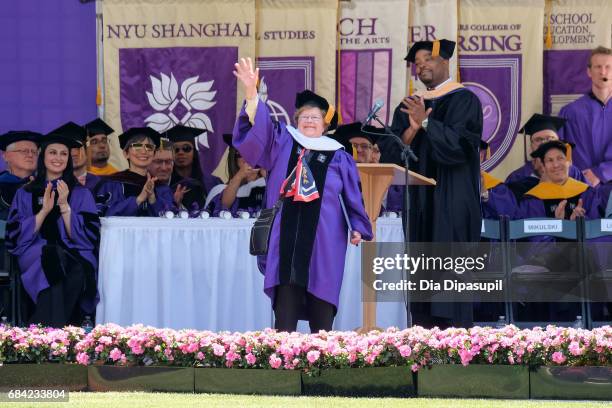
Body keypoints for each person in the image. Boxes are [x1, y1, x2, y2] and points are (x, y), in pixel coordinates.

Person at [233, 57, 373, 333]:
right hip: (286, 231)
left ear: (325, 124)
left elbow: (352, 194)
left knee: (321, 294)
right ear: (295, 121)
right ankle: (283, 360)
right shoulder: (284, 140)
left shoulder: (339, 155)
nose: (309, 121)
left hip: (325, 235)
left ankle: (319, 356)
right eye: (304, 117)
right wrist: (251, 94)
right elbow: (259, 132)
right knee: (286, 297)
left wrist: (358, 225)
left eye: (315, 117)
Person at [390, 39, 482, 328]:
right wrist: (412, 129)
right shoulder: (409, 106)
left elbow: (460, 149)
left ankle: (457, 356)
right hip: (419, 204)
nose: (422, 65)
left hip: (452, 201)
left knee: (451, 279)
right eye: (417, 63)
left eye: (428, 58)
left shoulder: (465, 100)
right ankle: (420, 350)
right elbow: (392, 154)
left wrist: (428, 124)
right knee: (422, 284)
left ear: (445, 61)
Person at [6, 132, 100, 327]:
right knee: (52, 255)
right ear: (43, 157)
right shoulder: (25, 192)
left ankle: (44, 330)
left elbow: (89, 238)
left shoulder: (81, 193)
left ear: (68, 159)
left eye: (63, 154)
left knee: (75, 265)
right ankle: (62, 334)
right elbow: (15, 236)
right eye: (53, 152)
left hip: (73, 250)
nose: (58, 158)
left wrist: (65, 207)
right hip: (33, 250)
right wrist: (44, 212)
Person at [558, 46, 612, 196]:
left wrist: (601, 173)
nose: (603, 72)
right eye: (598, 67)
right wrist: (579, 176)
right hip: (582, 189)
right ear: (589, 72)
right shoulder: (570, 112)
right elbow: (561, 152)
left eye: (608, 67)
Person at [98, 127, 173, 217]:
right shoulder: (112, 184)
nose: (144, 151)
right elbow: (105, 216)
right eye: (137, 146)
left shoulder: (161, 188)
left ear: (154, 155)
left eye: (149, 147)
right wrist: (139, 199)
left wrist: (152, 199)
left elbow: (170, 221)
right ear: (126, 154)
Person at [505, 114, 586, 191]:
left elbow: (590, 198)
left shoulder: (573, 172)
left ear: (558, 142)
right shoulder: (517, 177)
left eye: (550, 138)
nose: (544, 143)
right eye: (538, 140)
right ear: (531, 146)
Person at [205, 134, 266, 217]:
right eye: (241, 154)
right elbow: (224, 206)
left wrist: (268, 176)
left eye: (253, 152)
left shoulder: (270, 183)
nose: (248, 157)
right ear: (234, 159)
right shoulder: (220, 189)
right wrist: (239, 176)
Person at [165, 125, 220, 211]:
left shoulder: (211, 183)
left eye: (186, 148)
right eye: (175, 149)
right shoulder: (166, 185)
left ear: (194, 152)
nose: (181, 153)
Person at [0, 131, 40, 219]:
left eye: (34, 152)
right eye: (24, 151)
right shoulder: (2, 183)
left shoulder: (48, 185)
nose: (30, 155)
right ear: (5, 156)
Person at [480, 140, 519, 220]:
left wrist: (485, 194)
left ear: (481, 156)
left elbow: (509, 214)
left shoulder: (495, 187)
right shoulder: (450, 185)